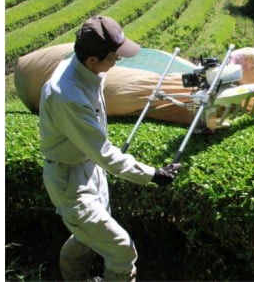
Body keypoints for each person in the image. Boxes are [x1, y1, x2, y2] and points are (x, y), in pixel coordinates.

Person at [39, 15, 181, 281]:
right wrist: (153, 174)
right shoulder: (66, 95)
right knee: (122, 251)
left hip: (88, 170)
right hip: (70, 183)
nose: (118, 61)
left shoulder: (84, 68)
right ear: (92, 59)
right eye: (114, 57)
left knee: (85, 238)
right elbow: (104, 154)